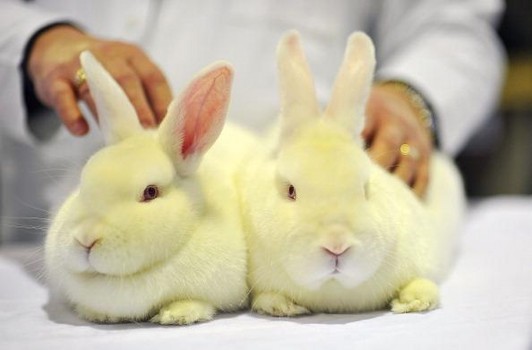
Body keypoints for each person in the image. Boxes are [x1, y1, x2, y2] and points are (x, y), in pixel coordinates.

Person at [0, 0, 505, 241]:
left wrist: (410, 96)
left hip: (280, 225)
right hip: (24, 224)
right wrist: (31, 42)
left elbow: (455, 30)